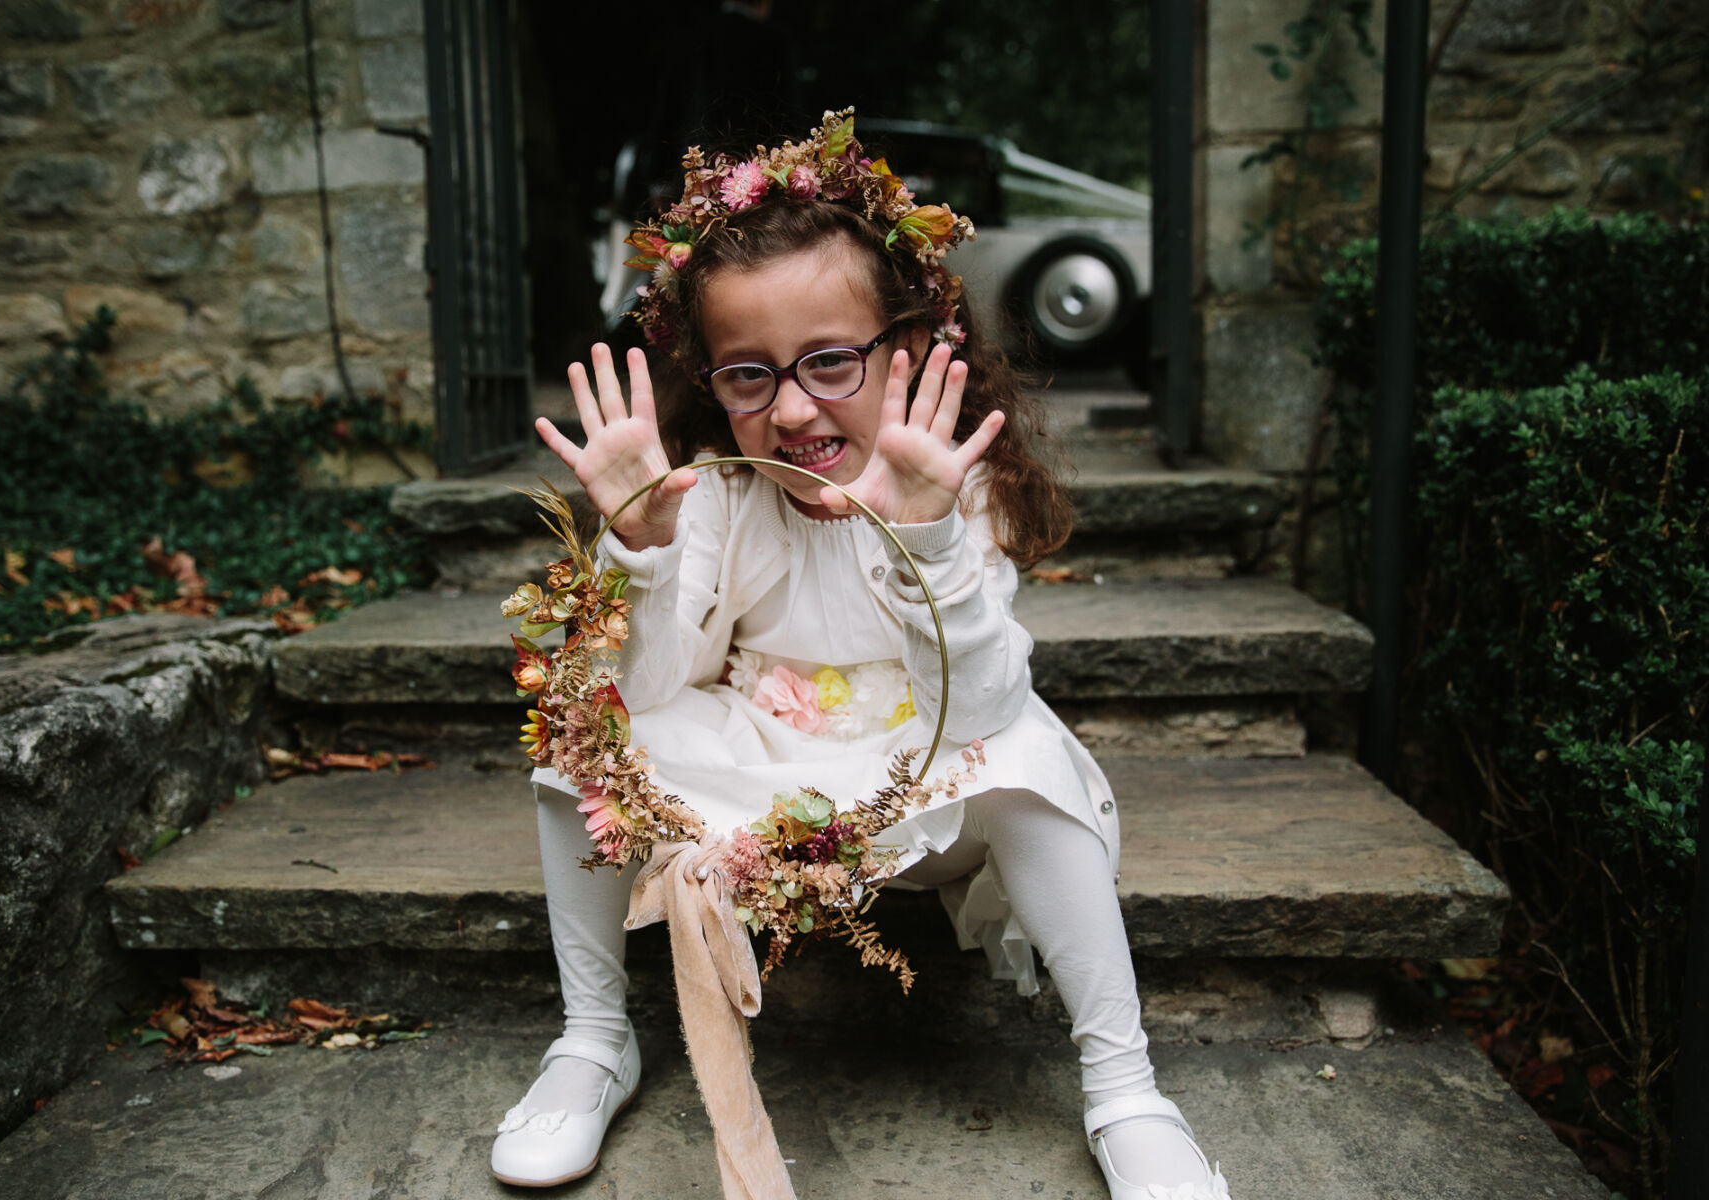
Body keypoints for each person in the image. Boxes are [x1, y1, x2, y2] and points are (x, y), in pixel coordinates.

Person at [489, 112, 1232, 1200]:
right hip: (754, 767)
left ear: (916, 351)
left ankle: (1125, 1090)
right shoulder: (720, 500)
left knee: (1024, 759)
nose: (791, 410)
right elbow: (648, 691)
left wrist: (928, 535)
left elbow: (975, 711)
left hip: (917, 779)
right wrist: (640, 549)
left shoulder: (954, 489)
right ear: (715, 383)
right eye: (750, 376)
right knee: (579, 740)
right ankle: (595, 1040)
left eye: (830, 361)